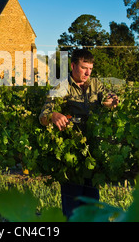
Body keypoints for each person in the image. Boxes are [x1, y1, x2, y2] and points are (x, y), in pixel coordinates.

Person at [38, 48, 119, 219]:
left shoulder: (96, 84)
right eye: (84, 68)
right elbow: (43, 116)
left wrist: (112, 100)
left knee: (92, 206)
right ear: (73, 65)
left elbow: (109, 96)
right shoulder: (61, 86)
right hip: (72, 155)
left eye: (90, 68)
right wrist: (53, 115)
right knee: (73, 209)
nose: (88, 72)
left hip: (93, 153)